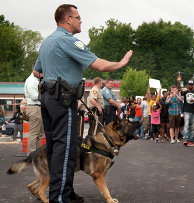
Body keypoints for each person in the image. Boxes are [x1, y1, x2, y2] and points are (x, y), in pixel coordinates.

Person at [33, 4, 133, 202]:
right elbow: (99, 64)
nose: (81, 20)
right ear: (67, 19)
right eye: (77, 17)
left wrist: (55, 75)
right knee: (66, 148)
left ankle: (65, 192)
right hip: (62, 100)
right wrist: (121, 63)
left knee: (56, 148)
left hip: (48, 98)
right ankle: (60, 197)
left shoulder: (47, 42)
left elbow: (37, 71)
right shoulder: (67, 40)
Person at [24, 64, 44, 155]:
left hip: (37, 108)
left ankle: (37, 155)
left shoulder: (36, 80)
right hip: (34, 107)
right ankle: (31, 156)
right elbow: (33, 95)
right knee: (34, 134)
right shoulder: (32, 81)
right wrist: (45, 96)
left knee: (38, 134)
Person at [178, 79, 194, 147]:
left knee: (192, 127)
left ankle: (191, 141)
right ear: (188, 85)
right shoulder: (185, 92)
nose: (190, 86)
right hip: (186, 110)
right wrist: (178, 82)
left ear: (193, 85)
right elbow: (180, 89)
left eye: (191, 84)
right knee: (186, 125)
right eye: (189, 84)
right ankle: (185, 140)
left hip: (193, 111)